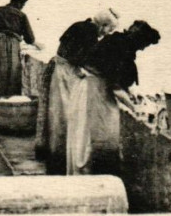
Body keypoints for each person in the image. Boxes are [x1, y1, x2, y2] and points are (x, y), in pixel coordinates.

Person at [67, 20, 160, 175]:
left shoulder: (117, 41)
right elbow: (115, 86)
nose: (143, 49)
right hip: (93, 91)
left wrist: (132, 93)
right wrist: (134, 107)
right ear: (138, 40)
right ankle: (87, 175)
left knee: (87, 135)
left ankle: (88, 173)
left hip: (92, 87)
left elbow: (120, 77)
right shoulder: (119, 48)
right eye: (144, 45)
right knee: (89, 136)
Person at [41, 10, 120, 173]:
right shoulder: (90, 32)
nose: (108, 34)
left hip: (60, 70)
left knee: (58, 118)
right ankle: (64, 160)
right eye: (109, 29)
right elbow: (81, 58)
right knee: (67, 116)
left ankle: (58, 158)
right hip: (66, 74)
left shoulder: (79, 25)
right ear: (103, 25)